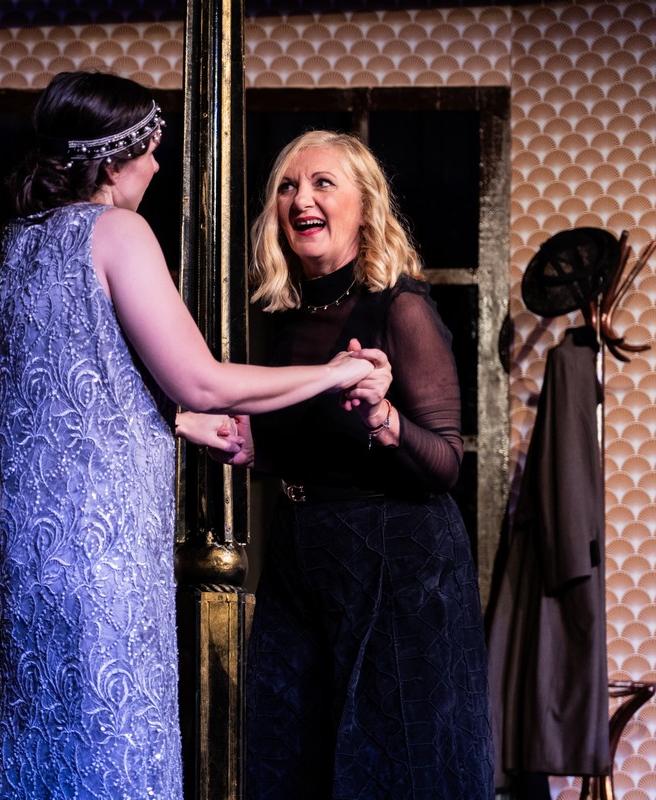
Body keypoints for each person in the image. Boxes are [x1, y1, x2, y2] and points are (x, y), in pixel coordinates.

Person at [0, 73, 377, 800]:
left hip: (15, 566)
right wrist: (332, 372)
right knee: (107, 759)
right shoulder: (116, 232)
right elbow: (201, 379)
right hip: (97, 558)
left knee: (30, 759)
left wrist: (177, 424)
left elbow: (55, 398)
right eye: (151, 150)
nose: (158, 166)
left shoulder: (13, 245)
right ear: (115, 159)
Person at [199, 129, 493, 798]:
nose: (301, 199)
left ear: (366, 206)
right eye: (287, 186)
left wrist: (383, 417)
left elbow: (446, 462)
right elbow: (314, 449)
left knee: (393, 768)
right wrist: (255, 448)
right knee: (291, 760)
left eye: (322, 183)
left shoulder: (400, 306)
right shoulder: (288, 314)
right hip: (302, 559)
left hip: (397, 565)